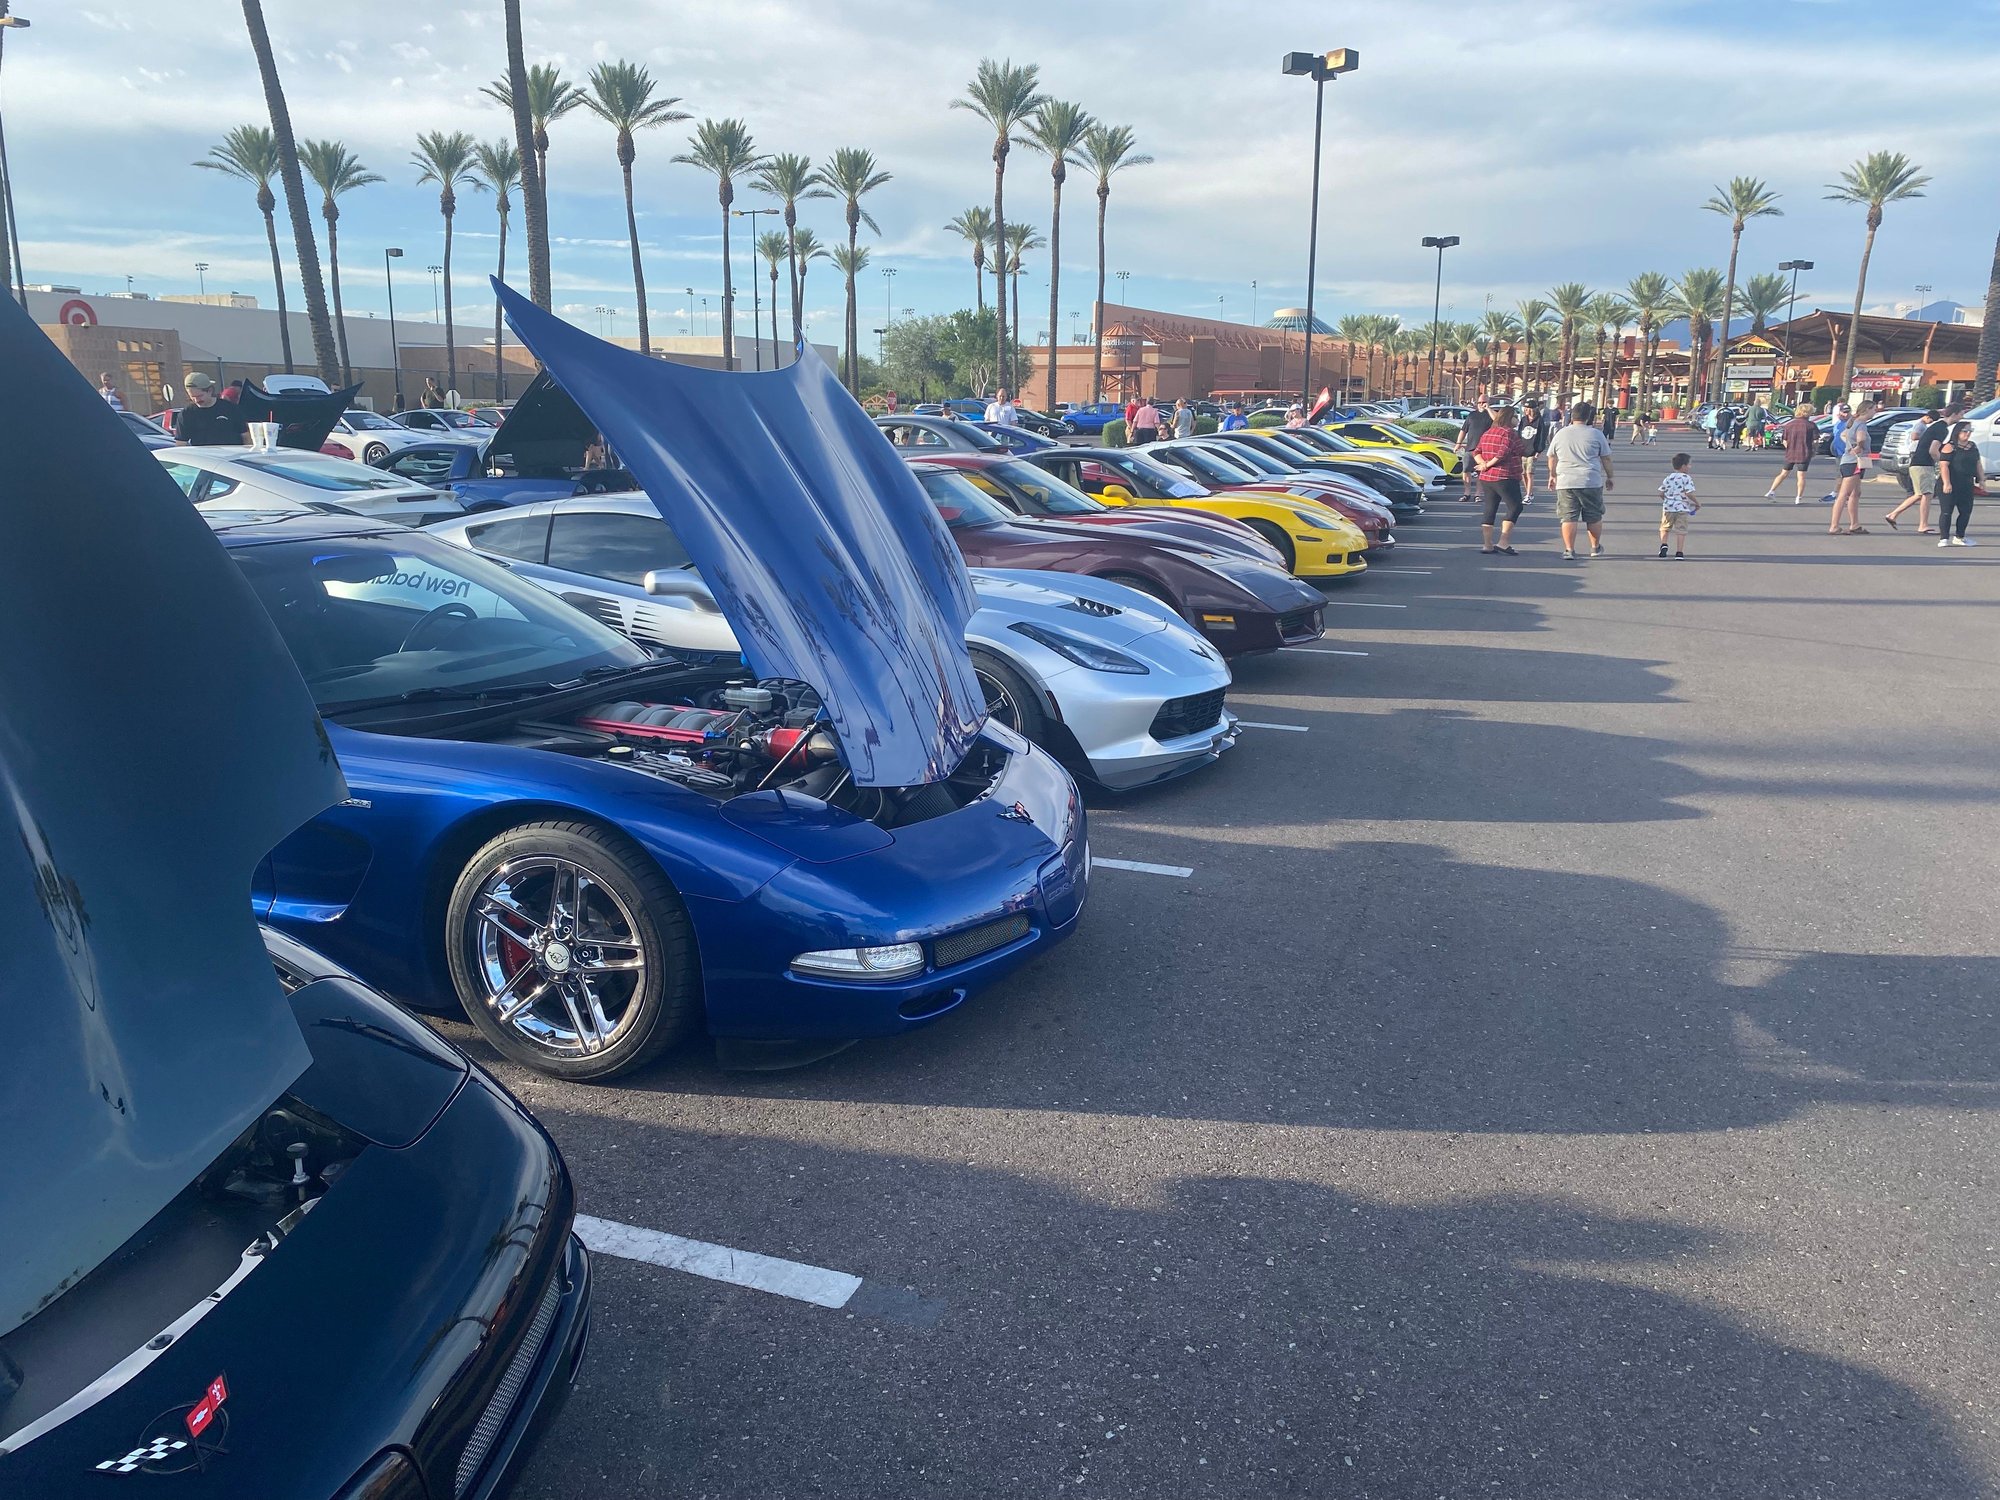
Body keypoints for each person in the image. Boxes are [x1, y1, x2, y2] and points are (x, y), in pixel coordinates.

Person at [1547, 400, 1614, 559]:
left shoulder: (1561, 433)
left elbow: (1551, 456)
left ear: (1572, 416)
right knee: (1594, 516)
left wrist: (1552, 474)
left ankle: (1569, 549)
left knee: (1568, 516)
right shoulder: (1596, 434)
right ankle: (1594, 547)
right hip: (1590, 480)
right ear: (1588, 416)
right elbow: (1606, 458)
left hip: (1566, 480)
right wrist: (1610, 476)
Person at [1884, 404, 1956, 533]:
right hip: (1923, 464)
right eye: (1961, 414)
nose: (1962, 417)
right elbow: (1933, 450)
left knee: (1920, 494)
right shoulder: (1942, 429)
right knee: (1927, 494)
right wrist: (1944, 463)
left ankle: (1893, 515)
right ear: (1955, 414)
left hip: (1918, 463)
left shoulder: (1937, 426)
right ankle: (1922, 524)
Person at [1472, 402, 1526, 555]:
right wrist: (1488, 464)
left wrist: (1483, 464)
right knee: (1515, 507)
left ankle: (1487, 545)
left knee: (1490, 508)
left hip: (1486, 478)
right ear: (1510, 418)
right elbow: (1504, 453)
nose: (1517, 419)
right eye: (1515, 416)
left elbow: (1476, 451)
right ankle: (1503, 542)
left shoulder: (1489, 432)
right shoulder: (1509, 433)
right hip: (1505, 476)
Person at [1935, 420, 1985, 547]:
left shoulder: (1972, 446)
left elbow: (1978, 464)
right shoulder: (1949, 447)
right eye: (1965, 431)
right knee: (1947, 511)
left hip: (1966, 483)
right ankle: (1944, 538)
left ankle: (1959, 536)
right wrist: (1947, 483)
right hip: (1951, 483)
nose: (1968, 434)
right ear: (1958, 432)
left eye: (1970, 431)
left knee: (1966, 511)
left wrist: (1982, 480)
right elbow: (1944, 466)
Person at [1828, 400, 1874, 535]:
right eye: (1873, 409)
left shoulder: (1853, 422)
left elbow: (1843, 435)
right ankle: (1834, 526)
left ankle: (1855, 524)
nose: (1875, 412)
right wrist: (1858, 446)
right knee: (1844, 494)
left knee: (1855, 493)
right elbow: (1861, 438)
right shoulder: (1861, 425)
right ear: (1867, 410)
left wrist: (1850, 445)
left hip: (1850, 460)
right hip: (1853, 462)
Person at [173, 372, 250, 447]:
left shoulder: (230, 409)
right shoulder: (186, 414)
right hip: (203, 458)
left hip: (231, 456)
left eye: (200, 396)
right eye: (192, 397)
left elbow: (246, 436)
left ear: (210, 391)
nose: (196, 400)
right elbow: (181, 444)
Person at [1765, 403, 1817, 503]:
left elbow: (1784, 440)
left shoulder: (1789, 424)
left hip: (1791, 453)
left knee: (1784, 473)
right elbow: (1815, 441)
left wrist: (1790, 447)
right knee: (1801, 476)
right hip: (1804, 452)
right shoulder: (1811, 425)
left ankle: (1771, 491)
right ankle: (1798, 497)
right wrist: (1814, 450)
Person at [1657, 452, 1699, 559]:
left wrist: (1667, 500)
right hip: (1682, 508)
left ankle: (1664, 544)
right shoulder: (1686, 478)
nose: (1690, 467)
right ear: (1683, 466)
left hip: (1668, 507)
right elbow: (1689, 493)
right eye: (1689, 464)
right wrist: (1697, 503)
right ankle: (1679, 552)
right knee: (1681, 530)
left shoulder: (1669, 478)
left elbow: (1661, 492)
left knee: (1665, 528)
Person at [1456, 396, 1493, 501]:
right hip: (1470, 448)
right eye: (1479, 402)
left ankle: (1478, 494)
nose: (1481, 404)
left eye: (1484, 402)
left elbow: (1497, 421)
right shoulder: (1472, 415)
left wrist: (1488, 409)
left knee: (1481, 472)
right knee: (1466, 470)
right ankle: (1466, 493)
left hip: (1484, 450)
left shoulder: (1491, 415)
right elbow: (1463, 430)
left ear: (1488, 402)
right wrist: (1458, 443)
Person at [1517, 400, 1549, 501]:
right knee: (1523, 474)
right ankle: (1528, 492)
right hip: (1522, 450)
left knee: (1529, 473)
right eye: (1525, 408)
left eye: (1527, 408)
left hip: (1533, 450)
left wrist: (1539, 451)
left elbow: (1542, 436)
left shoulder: (1539, 421)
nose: (1525, 410)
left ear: (1532, 409)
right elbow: (1519, 434)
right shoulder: (1523, 420)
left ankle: (1529, 494)